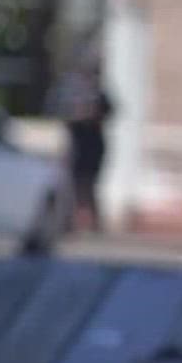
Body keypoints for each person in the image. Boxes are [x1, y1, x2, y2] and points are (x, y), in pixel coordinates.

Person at [48, 52, 113, 232]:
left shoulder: (98, 95)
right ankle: (68, 223)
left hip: (93, 147)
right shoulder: (72, 94)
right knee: (71, 186)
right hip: (75, 146)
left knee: (89, 186)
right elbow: (59, 111)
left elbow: (109, 112)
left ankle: (94, 225)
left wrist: (91, 114)